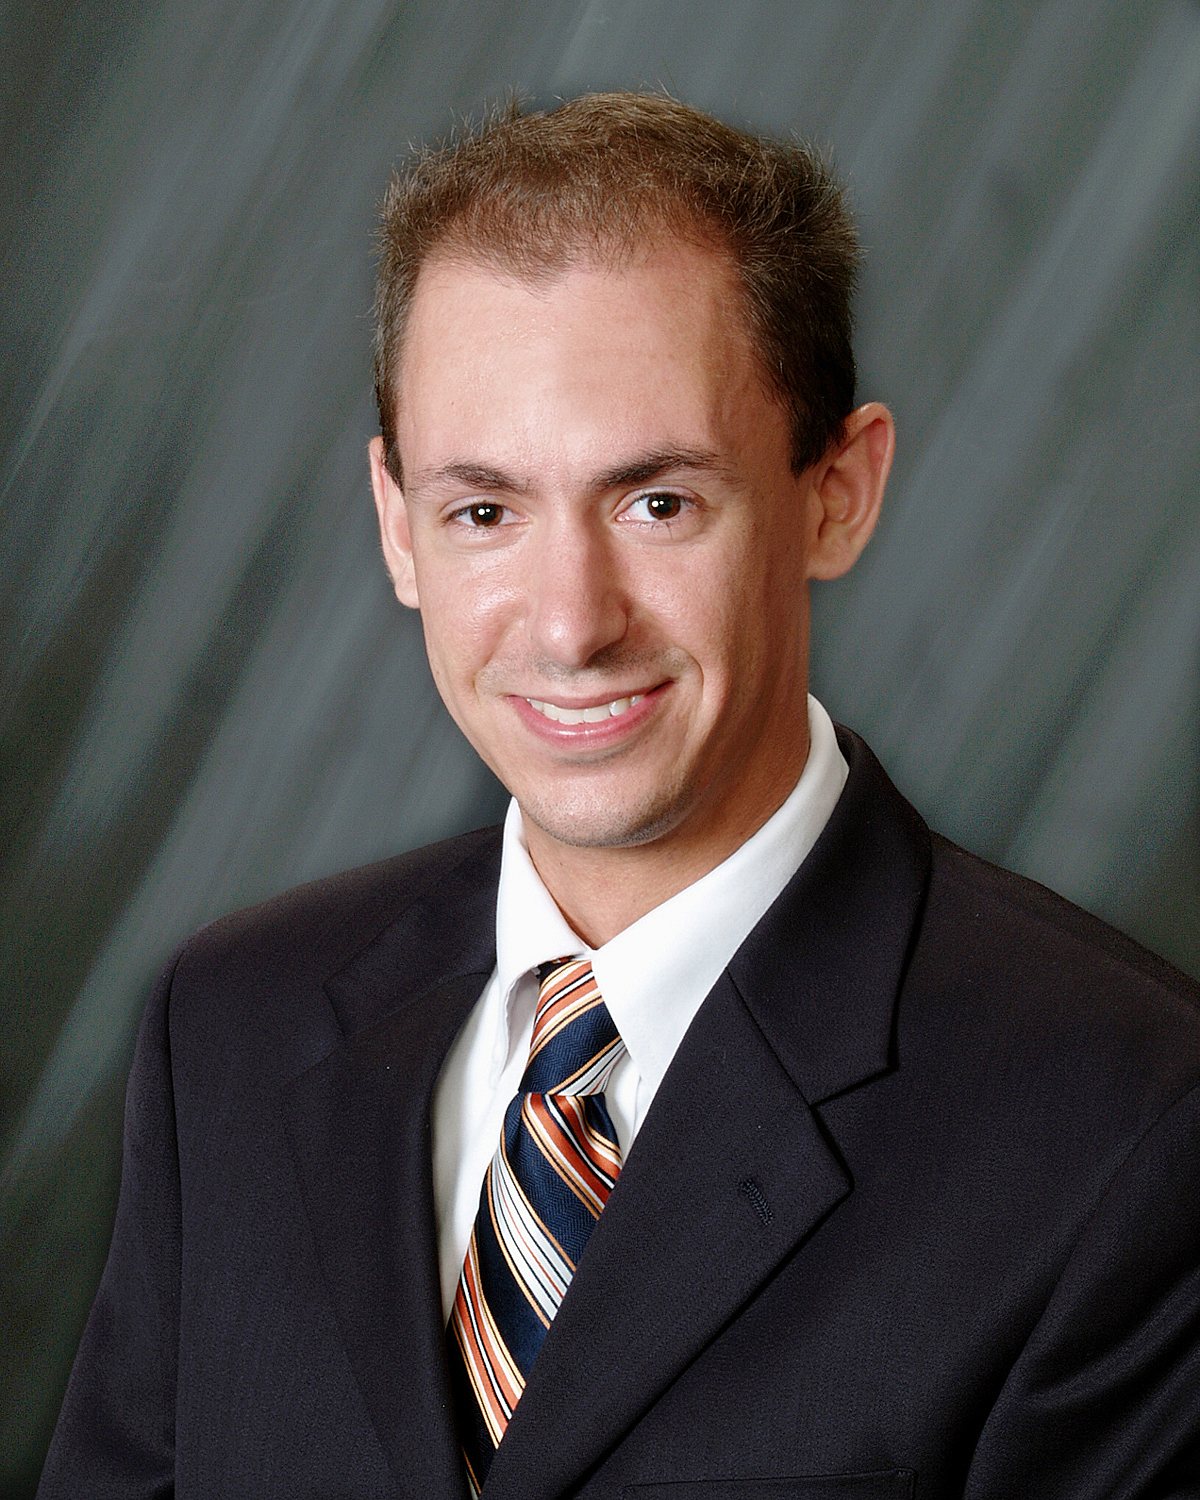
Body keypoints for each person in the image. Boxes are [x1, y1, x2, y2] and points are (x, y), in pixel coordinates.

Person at [39, 93, 1200, 1500]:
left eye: (658, 503)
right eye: (484, 512)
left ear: (837, 492)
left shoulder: (1129, 1123)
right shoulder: (232, 1027)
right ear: (397, 526)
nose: (571, 623)